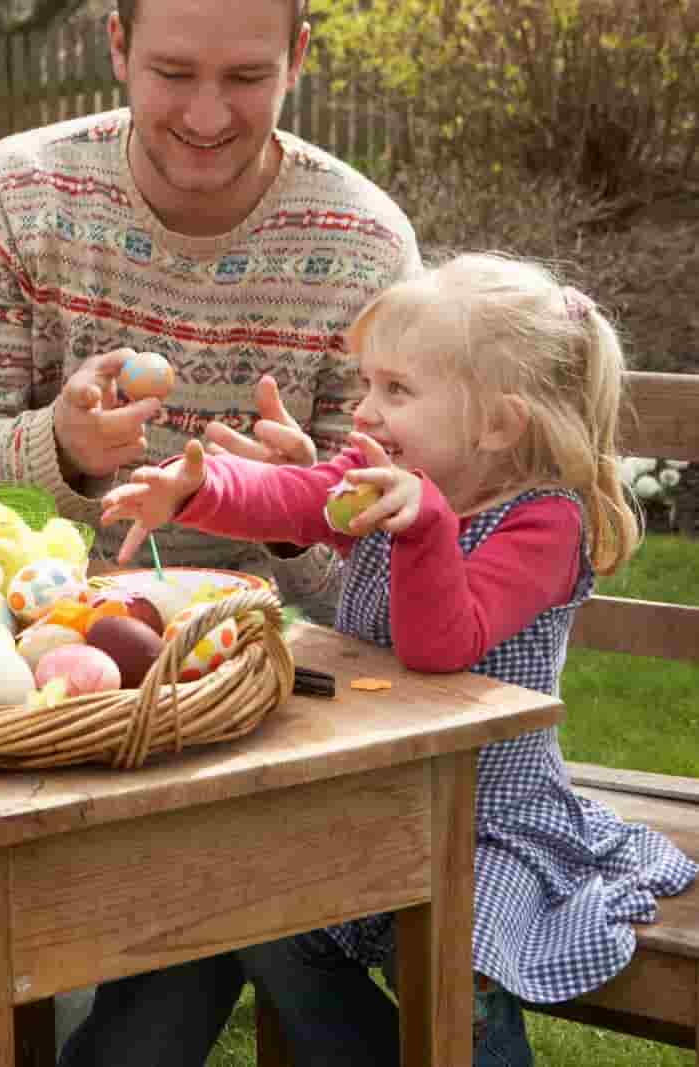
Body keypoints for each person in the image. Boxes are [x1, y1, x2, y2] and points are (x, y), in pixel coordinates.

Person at [99, 252, 699, 1064]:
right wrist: (196, 490)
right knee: (275, 915)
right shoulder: (386, 474)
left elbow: (441, 644)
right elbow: (296, 496)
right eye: (368, 386)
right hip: (373, 784)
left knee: (458, 951)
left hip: (486, 815)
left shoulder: (544, 525)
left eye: (398, 392)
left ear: (496, 423)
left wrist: (424, 530)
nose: (365, 413)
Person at [0, 0, 421, 625]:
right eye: (174, 74)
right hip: (33, 634)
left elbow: (390, 581)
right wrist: (61, 448)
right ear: (119, 46)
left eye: (245, 77)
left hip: (262, 655)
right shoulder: (18, 194)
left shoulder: (367, 249)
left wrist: (293, 513)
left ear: (296, 60)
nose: (205, 116)